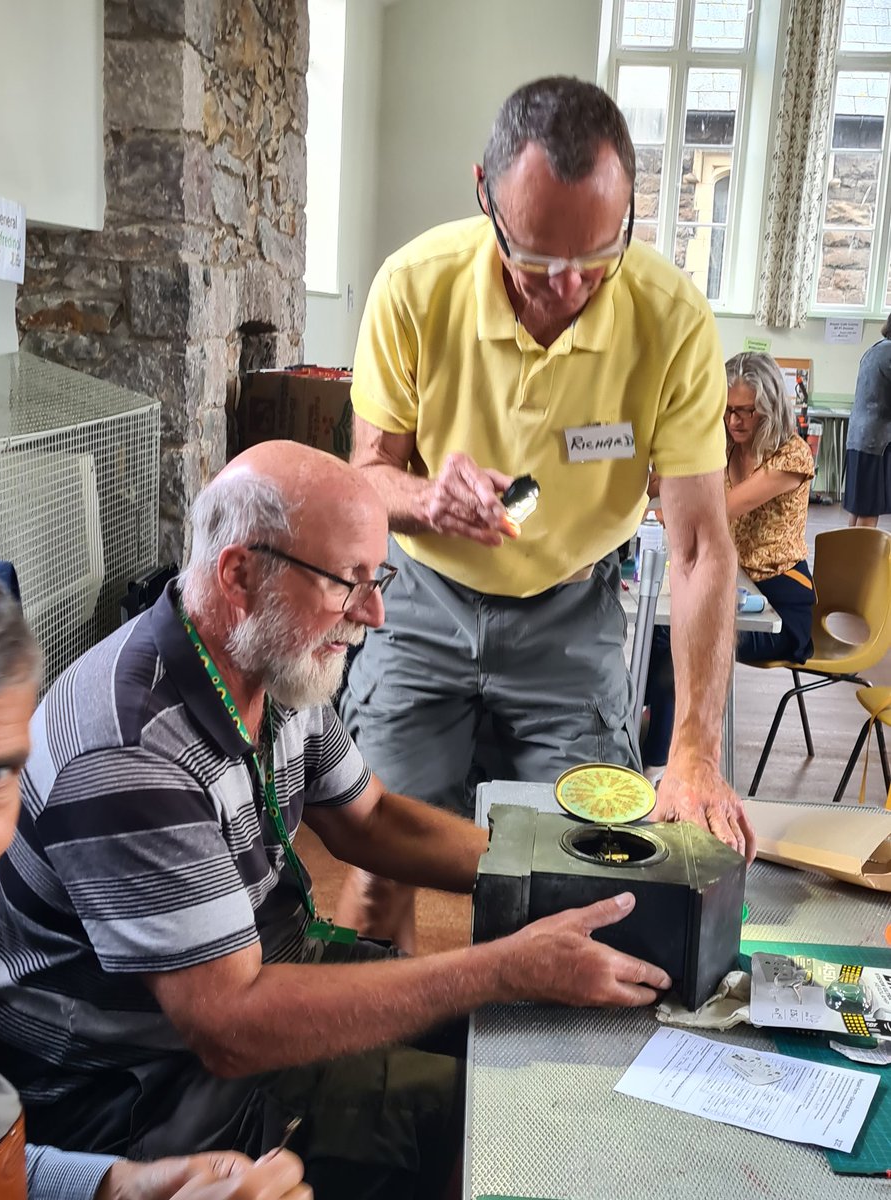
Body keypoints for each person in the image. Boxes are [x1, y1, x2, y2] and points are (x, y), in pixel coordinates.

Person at [0, 442, 670, 1200]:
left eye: (378, 578)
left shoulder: (270, 661)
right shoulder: (128, 751)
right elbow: (231, 1025)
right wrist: (503, 964)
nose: (374, 614)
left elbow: (371, 819)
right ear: (240, 575)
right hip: (154, 1101)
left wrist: (563, 861)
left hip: (270, 981)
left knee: (531, 1026)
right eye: (349, 583)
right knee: (515, 1115)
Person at [336, 74, 753, 948]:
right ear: (484, 193)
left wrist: (695, 753)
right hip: (423, 601)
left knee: (597, 880)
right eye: (534, 259)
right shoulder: (414, 286)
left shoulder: (672, 318)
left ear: (631, 210)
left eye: (596, 258)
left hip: (573, 616)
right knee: (380, 879)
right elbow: (364, 476)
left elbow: (701, 549)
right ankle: (375, 1080)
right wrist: (423, 497)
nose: (566, 288)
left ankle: (553, 1085)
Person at [0, 578, 311, 1200]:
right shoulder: (123, 740)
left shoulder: (290, 684)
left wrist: (117, 1187)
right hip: (124, 1095)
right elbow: (227, 1018)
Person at [643, 353, 816, 773]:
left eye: (745, 411)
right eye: (726, 410)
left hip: (781, 603)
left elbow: (721, 509)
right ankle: (642, 730)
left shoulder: (789, 457)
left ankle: (654, 758)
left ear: (770, 408)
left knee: (672, 638)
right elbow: (658, 482)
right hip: (733, 588)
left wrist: (665, 509)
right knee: (661, 630)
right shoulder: (720, 445)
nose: (734, 421)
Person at [844, 313, 891, 528]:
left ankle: (849, 558)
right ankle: (860, 561)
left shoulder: (876, 349)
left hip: (858, 438)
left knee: (859, 508)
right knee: (869, 510)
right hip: (876, 442)